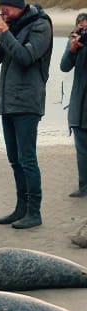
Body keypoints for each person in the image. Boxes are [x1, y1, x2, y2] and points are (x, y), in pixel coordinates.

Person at [0, 0, 53, 229]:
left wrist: (5, 33)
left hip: (28, 102)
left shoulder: (40, 26)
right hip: (9, 103)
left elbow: (25, 57)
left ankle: (35, 211)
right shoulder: (15, 29)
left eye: (6, 9)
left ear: (19, 6)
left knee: (27, 158)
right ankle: (21, 208)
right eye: (0, 10)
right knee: (15, 159)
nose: (3, 13)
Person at [59, 12, 87, 197]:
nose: (84, 32)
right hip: (79, 103)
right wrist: (72, 48)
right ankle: (84, 187)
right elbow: (64, 66)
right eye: (82, 28)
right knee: (82, 150)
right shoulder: (75, 43)